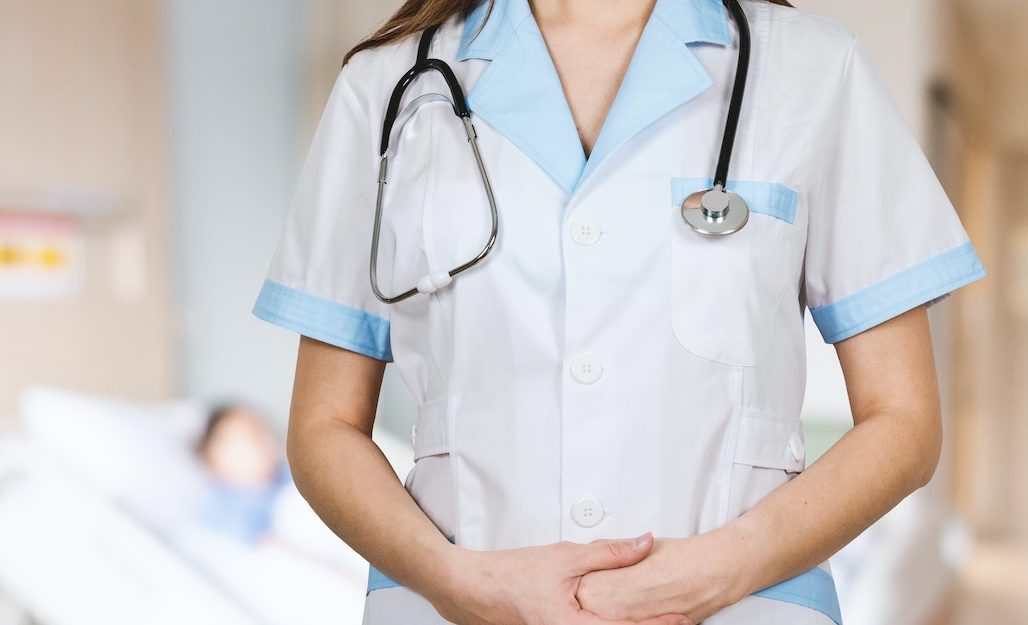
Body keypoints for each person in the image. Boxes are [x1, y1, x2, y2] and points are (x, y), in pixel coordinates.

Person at [251, 0, 986, 623]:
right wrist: (456, 581)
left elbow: (904, 423)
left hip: (743, 604)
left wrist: (722, 569)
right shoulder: (387, 86)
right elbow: (323, 429)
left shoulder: (814, 72)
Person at [195, 402, 289, 545]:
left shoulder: (289, 477)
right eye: (242, 440)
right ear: (210, 456)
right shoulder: (221, 509)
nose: (258, 445)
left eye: (260, 433)